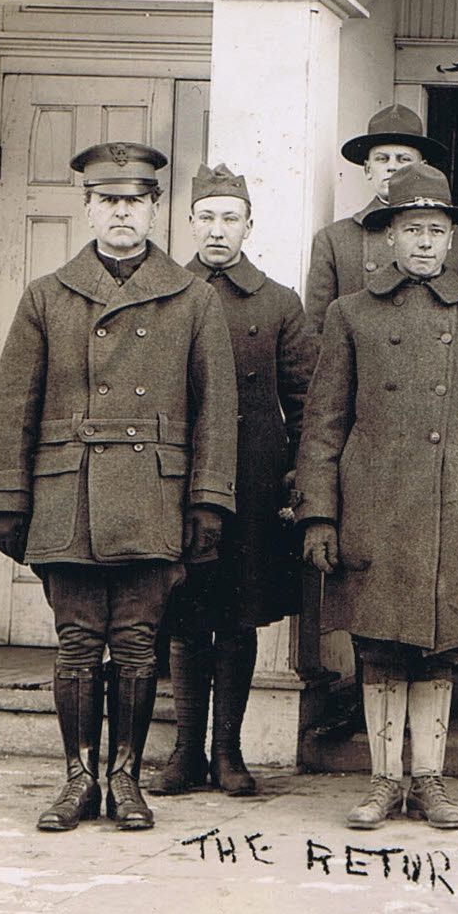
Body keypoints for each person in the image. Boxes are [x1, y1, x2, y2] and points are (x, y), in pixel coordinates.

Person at [0, 142, 238, 832]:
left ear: (154, 209)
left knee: (135, 644)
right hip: (69, 495)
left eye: (135, 201)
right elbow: (13, 404)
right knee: (74, 644)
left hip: (153, 496)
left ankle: (125, 779)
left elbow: (216, 409)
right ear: (89, 208)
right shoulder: (46, 295)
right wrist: (6, 498)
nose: (122, 213)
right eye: (108, 200)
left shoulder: (192, 298)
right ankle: (78, 780)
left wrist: (208, 498)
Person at [294, 163, 458, 830]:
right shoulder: (350, 314)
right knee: (378, 646)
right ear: (390, 236)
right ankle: (382, 781)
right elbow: (324, 423)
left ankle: (428, 779)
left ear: (452, 239)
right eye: (411, 229)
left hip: (455, 508)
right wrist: (318, 512)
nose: (424, 242)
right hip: (374, 508)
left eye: (435, 230)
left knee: (441, 648)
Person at [154, 164, 315, 797]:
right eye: (207, 217)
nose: (218, 230)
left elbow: (305, 400)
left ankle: (228, 752)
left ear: (249, 225)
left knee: (239, 615)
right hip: (181, 474)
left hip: (253, 476)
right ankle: (184, 752)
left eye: (231, 218)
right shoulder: (163, 293)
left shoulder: (277, 302)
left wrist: (297, 476)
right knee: (186, 613)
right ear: (190, 223)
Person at [304, 104, 458, 336]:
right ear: (367, 169)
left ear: (423, 167)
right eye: (382, 159)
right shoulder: (334, 240)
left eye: (403, 159)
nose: (392, 167)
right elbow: (318, 332)